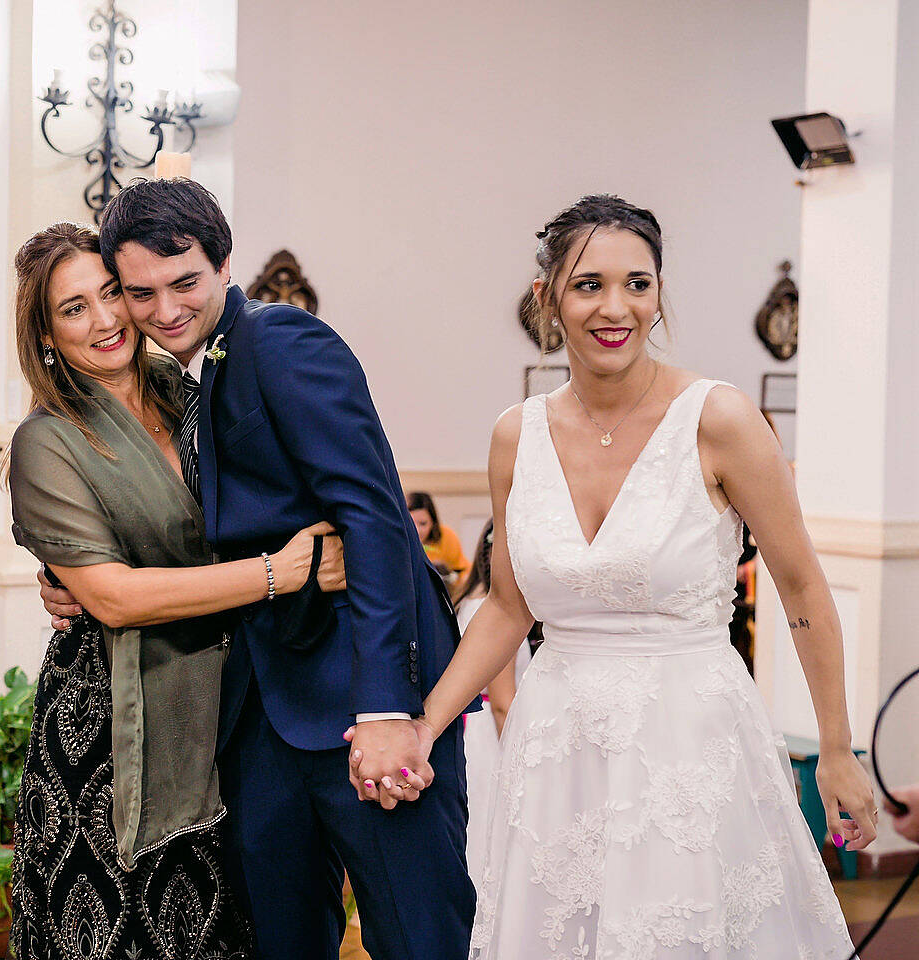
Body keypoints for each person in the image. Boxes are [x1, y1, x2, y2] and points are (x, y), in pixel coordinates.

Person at [354, 195, 877, 958]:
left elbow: (800, 587)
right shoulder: (516, 436)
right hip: (559, 750)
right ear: (548, 297)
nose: (616, 307)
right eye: (589, 285)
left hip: (688, 745)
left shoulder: (721, 420)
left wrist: (836, 748)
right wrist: (425, 726)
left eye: (638, 283)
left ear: (659, 292)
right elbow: (507, 608)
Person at [40, 179, 475, 960]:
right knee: (278, 940)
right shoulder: (183, 383)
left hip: (356, 700)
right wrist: (67, 575)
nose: (164, 309)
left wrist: (384, 708)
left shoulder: (281, 341)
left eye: (184, 283)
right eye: (141, 293)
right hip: (257, 717)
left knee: (416, 936)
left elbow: (373, 517)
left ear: (223, 264)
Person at [5, 221, 347, 958]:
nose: (104, 319)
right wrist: (275, 574)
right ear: (46, 337)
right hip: (111, 730)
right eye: (73, 309)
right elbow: (113, 597)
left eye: (112, 293)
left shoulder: (191, 392)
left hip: (233, 702)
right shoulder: (49, 439)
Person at [448, 520, 525, 886]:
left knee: (474, 828)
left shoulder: (465, 601)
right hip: (491, 731)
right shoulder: (498, 613)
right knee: (492, 827)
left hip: (468, 726)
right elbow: (502, 701)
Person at [408, 490, 470, 584]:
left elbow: (463, 573)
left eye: (423, 523)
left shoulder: (447, 537)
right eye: (411, 523)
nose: (417, 530)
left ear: (433, 523)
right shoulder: (396, 540)